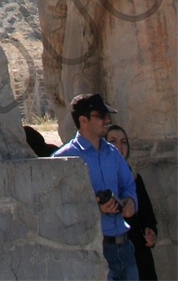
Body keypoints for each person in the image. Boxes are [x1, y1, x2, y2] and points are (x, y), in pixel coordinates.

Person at [53, 94, 140, 281]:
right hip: (92, 248)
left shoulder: (113, 153)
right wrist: (95, 208)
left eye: (107, 115)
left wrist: (130, 201)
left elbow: (128, 184)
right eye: (101, 115)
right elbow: (59, 206)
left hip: (124, 245)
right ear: (83, 120)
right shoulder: (64, 158)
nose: (107, 120)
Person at [107, 125, 159, 281]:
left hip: (138, 253)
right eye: (113, 141)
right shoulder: (100, 179)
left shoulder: (135, 177)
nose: (119, 146)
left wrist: (151, 231)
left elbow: (147, 215)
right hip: (113, 252)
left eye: (123, 142)